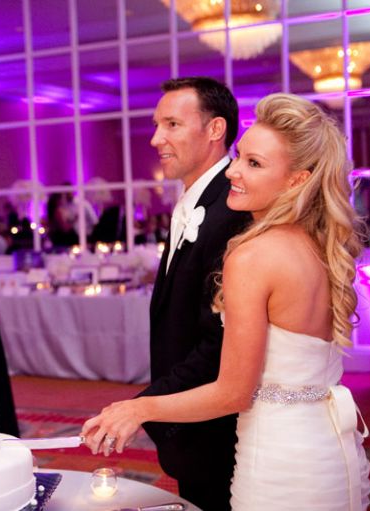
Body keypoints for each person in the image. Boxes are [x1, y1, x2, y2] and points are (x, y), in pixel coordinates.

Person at [81, 93, 370, 510]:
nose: (233, 170)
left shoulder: (253, 256)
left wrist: (138, 409)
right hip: (329, 450)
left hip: (277, 458)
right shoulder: (320, 246)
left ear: (296, 180)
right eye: (239, 157)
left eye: (254, 164)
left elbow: (233, 392)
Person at [92, 76, 252, 510]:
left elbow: (220, 342)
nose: (155, 138)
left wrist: (146, 406)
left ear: (215, 129)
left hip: (218, 429)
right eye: (156, 125)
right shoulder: (196, 202)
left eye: (172, 125)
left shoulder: (232, 210)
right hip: (192, 428)